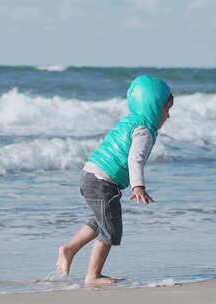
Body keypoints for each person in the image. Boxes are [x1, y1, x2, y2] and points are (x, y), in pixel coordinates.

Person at [56, 75, 174, 285]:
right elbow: (134, 159)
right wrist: (138, 185)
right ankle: (93, 275)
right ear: (154, 107)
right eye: (167, 109)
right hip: (103, 182)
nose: (168, 116)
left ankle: (69, 249)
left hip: (91, 176)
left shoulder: (130, 121)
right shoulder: (144, 131)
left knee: (99, 221)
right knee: (111, 230)